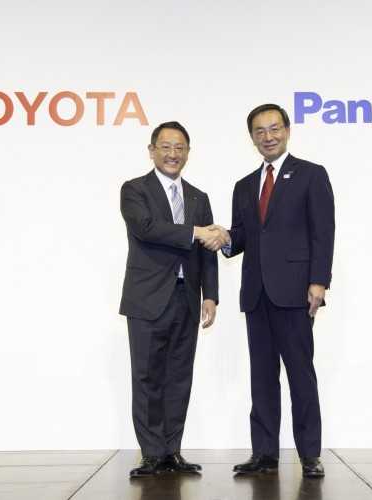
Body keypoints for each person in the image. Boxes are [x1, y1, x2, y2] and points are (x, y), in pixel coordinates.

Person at [214, 103, 335, 478]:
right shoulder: (244, 185)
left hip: (296, 292)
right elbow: (243, 236)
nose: (268, 136)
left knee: (301, 374)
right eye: (260, 131)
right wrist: (223, 239)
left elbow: (323, 231)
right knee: (262, 377)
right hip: (256, 293)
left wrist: (319, 281)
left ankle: (309, 455)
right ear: (252, 137)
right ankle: (264, 454)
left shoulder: (311, 175)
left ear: (287, 130)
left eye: (274, 128)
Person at [119, 121, 225, 477]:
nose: (172, 154)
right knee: (147, 377)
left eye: (180, 148)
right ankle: (151, 453)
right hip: (147, 298)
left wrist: (210, 295)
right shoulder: (134, 190)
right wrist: (195, 231)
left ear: (188, 153)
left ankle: (171, 451)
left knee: (179, 377)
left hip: (187, 298)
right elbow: (146, 228)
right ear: (152, 151)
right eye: (165, 147)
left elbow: (208, 252)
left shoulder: (198, 197)